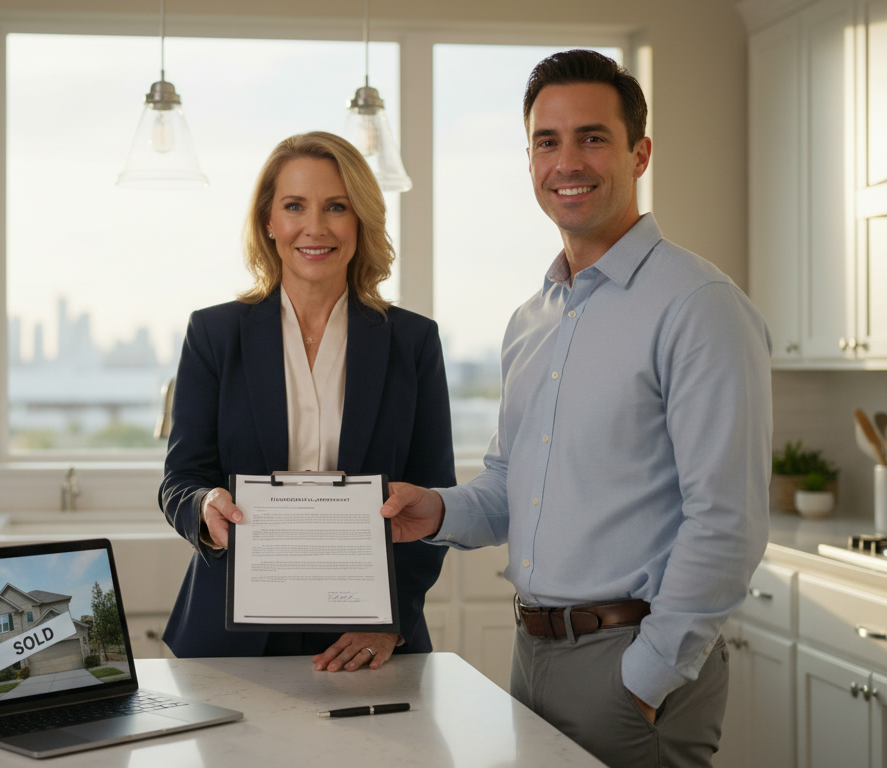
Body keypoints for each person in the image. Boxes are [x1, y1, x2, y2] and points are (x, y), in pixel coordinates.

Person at [380, 50, 771, 766]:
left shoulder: (698, 306)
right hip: (531, 656)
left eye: (592, 137)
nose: (568, 161)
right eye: (546, 141)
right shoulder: (531, 320)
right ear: (529, 158)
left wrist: (648, 677)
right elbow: (508, 486)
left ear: (639, 152)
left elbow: (727, 519)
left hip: (629, 666)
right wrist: (435, 511)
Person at [159, 131, 454, 672]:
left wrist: (391, 620)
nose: (314, 227)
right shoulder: (214, 335)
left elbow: (435, 500)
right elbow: (180, 481)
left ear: (359, 220)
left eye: (336, 207)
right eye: (294, 206)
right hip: (228, 637)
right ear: (269, 221)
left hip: (367, 640)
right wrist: (204, 509)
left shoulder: (412, 342)